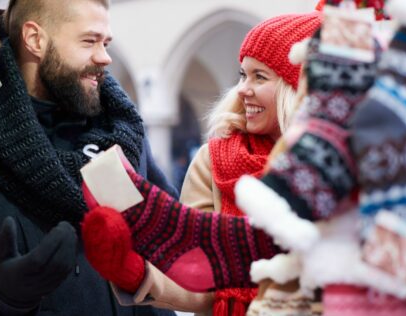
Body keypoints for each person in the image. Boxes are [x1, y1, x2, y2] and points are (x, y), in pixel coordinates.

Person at [0, 0, 177, 315]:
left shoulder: (126, 142)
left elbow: (173, 253)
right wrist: (1, 297)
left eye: (106, 42)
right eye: (89, 41)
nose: (105, 57)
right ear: (35, 40)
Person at [81, 11, 322, 316]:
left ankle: (150, 214)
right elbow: (198, 275)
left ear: (298, 87)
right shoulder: (214, 160)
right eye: (242, 75)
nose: (243, 89)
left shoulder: (342, 165)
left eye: (259, 76)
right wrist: (140, 276)